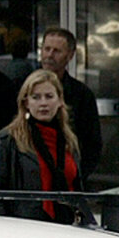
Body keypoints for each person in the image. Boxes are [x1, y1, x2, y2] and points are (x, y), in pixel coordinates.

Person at [5, 67, 89, 218]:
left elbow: (77, 189)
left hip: (68, 227)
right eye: (36, 97)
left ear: (60, 101)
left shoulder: (69, 140)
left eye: (49, 96)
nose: (43, 103)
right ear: (26, 103)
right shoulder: (9, 140)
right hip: (26, 228)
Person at [32, 25, 102, 175]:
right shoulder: (21, 87)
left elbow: (92, 145)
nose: (49, 55)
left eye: (56, 51)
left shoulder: (82, 95)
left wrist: (76, 177)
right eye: (46, 49)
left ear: (70, 55)